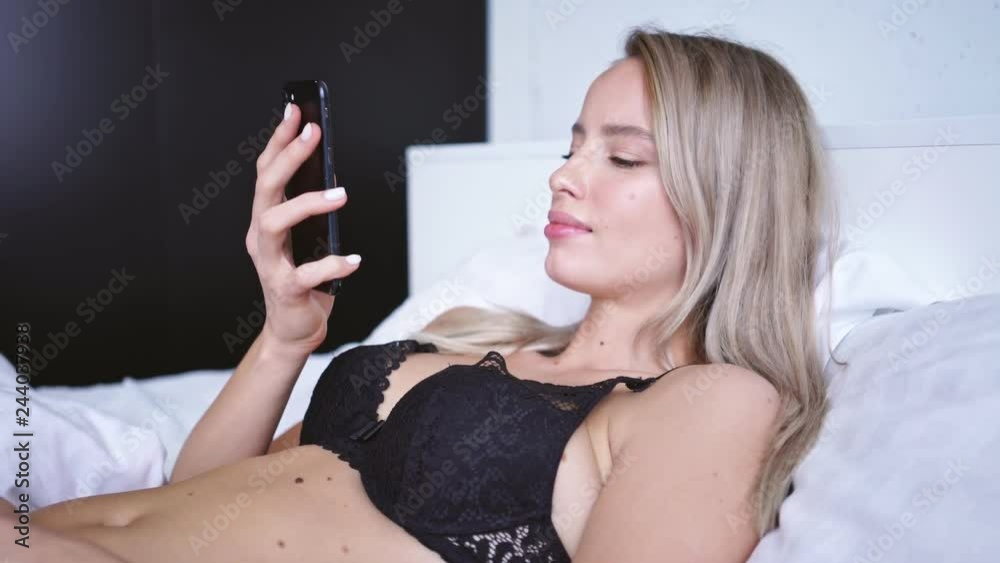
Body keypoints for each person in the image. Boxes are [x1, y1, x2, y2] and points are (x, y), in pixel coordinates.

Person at [2, 25, 840, 563]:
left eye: (621, 158)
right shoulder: (471, 334)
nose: (563, 176)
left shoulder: (712, 400)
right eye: (572, 147)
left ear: (728, 198)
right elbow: (192, 502)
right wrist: (285, 340)